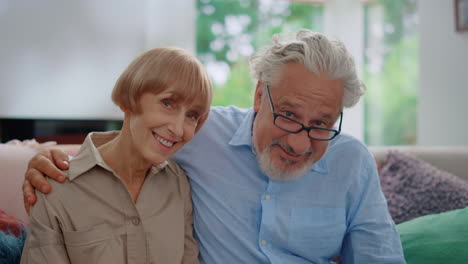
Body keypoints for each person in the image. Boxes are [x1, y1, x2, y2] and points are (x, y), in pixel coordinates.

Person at [23, 30, 406, 263]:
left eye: (321, 124)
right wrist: (47, 159)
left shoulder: (352, 163)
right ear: (259, 95)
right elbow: (128, 142)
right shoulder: (197, 131)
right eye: (288, 115)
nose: (299, 141)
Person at [20, 47, 212, 263]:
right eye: (167, 103)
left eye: (192, 115)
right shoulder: (56, 189)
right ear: (128, 100)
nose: (178, 129)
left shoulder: (178, 184)